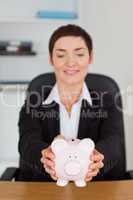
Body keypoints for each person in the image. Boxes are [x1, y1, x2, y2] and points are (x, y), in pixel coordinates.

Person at [18, 24, 124, 182]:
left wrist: (96, 158)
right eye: (61, 55)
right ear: (51, 59)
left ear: (90, 57)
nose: (71, 63)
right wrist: (44, 156)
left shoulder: (108, 101)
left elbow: (114, 142)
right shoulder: (34, 101)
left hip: (96, 187)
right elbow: (27, 142)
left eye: (79, 54)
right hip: (44, 187)